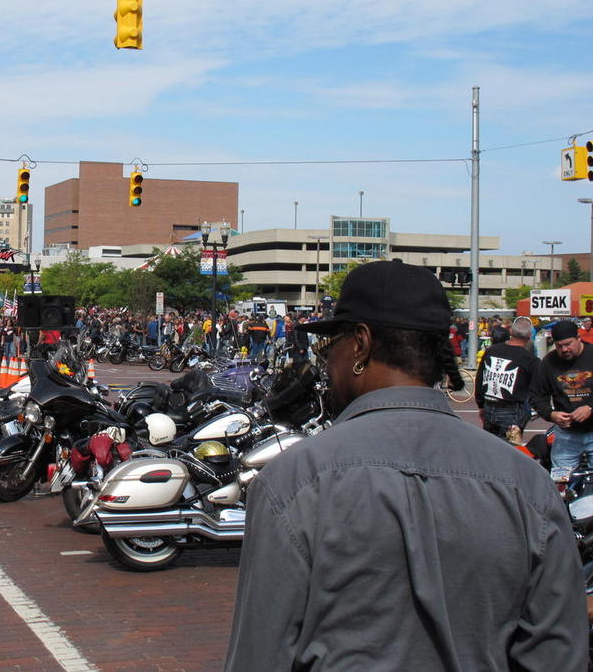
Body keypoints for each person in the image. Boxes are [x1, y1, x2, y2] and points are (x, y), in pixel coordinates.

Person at [224, 260, 584, 671]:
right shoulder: (527, 483)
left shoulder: (293, 480)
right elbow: (557, 655)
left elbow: (259, 654)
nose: (327, 363)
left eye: (330, 347)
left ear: (360, 344)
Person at [531, 320, 593, 481]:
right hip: (566, 435)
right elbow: (537, 396)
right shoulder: (549, 362)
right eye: (559, 346)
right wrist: (551, 414)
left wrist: (590, 408)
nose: (564, 349)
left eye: (568, 344)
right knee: (560, 483)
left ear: (578, 338)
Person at [475, 316, 539, 439]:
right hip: (512, 410)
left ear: (511, 331)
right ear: (529, 335)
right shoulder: (530, 360)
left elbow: (480, 378)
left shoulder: (492, 350)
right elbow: (537, 388)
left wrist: (481, 404)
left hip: (489, 405)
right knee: (511, 447)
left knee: (490, 445)